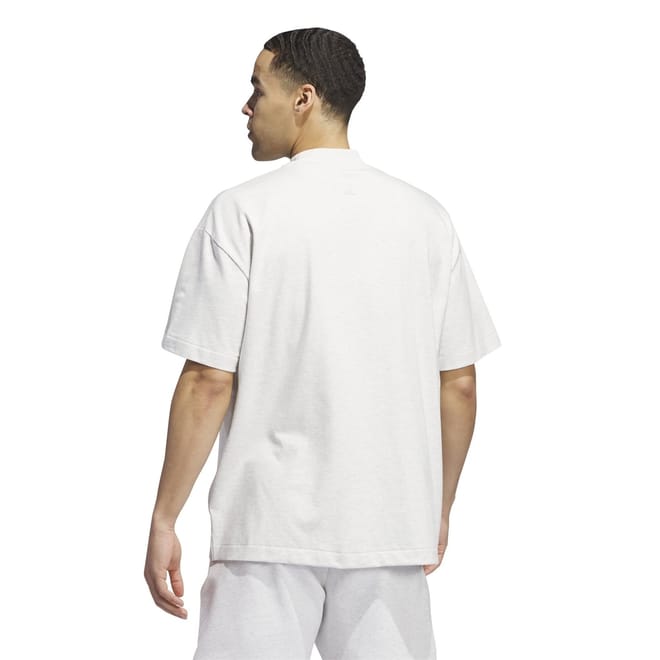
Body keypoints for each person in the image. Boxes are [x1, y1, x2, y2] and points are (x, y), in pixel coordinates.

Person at [144, 26, 501, 660]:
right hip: (390, 531)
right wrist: (437, 508)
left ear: (303, 98)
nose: (246, 107)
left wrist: (165, 517)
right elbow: (460, 384)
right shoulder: (426, 219)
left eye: (258, 89)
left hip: (265, 533)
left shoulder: (242, 212)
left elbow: (208, 381)